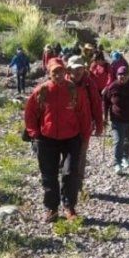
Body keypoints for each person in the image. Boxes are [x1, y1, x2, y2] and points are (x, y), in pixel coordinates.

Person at [24, 58, 86, 222]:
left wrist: (85, 137)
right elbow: (30, 114)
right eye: (54, 72)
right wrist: (35, 134)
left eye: (61, 71)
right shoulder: (41, 91)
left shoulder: (74, 90)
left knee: (70, 173)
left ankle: (69, 206)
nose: (58, 75)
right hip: (46, 139)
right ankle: (52, 209)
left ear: (66, 72)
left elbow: (83, 114)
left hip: (71, 138)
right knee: (49, 175)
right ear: (49, 73)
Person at [67, 55, 104, 193]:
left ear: (84, 69)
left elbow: (96, 105)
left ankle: (77, 186)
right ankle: (67, 183)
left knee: (81, 157)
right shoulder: (61, 83)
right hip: (65, 127)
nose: (76, 73)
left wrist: (99, 125)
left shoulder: (89, 84)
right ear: (68, 69)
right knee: (66, 157)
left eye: (79, 69)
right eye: (73, 69)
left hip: (84, 128)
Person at [103, 66, 129, 175]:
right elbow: (106, 102)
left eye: (125, 75)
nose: (122, 77)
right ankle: (117, 163)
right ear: (117, 75)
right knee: (118, 140)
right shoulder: (112, 87)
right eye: (120, 75)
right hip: (117, 119)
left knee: (128, 140)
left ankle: (126, 158)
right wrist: (105, 117)